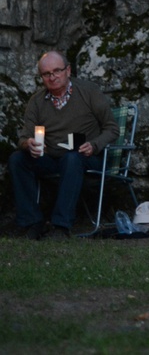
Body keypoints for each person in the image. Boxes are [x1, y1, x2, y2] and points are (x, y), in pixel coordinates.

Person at [9, 51, 120, 239]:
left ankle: (61, 226)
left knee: (72, 157)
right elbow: (24, 137)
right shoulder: (37, 101)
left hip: (88, 158)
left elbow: (112, 129)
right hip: (53, 158)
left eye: (57, 71)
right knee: (17, 159)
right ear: (42, 77)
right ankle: (33, 222)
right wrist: (29, 144)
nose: (52, 77)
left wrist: (94, 145)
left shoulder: (88, 92)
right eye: (46, 74)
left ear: (68, 70)